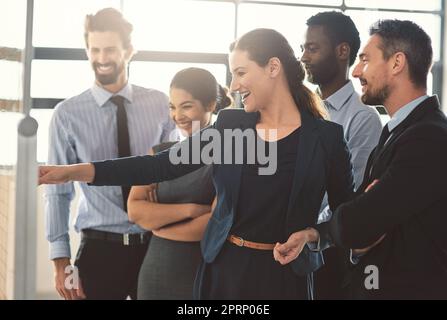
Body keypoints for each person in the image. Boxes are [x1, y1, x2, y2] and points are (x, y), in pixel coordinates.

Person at [39, 28, 354, 300]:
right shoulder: (231, 128)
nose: (233, 86)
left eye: (241, 73)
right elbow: (160, 167)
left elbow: (345, 215)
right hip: (224, 272)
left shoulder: (325, 138)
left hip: (287, 279)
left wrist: (314, 235)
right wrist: (76, 171)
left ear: (273, 67)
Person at [277, 20, 447, 299]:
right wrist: (316, 234)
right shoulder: (397, 131)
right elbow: (359, 210)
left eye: (365, 60)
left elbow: (363, 220)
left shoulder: (429, 137)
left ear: (397, 63)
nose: (356, 71)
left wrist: (361, 223)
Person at [44, 8, 175, 300]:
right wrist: (60, 261)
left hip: (155, 244)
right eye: (95, 50)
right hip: (99, 249)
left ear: (129, 51)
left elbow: (173, 172)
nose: (102, 58)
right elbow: (57, 193)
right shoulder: (66, 115)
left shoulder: (160, 104)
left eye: (111, 49)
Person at [129, 68, 231, 299]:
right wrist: (191, 210)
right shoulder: (159, 153)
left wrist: (157, 223)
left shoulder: (228, 156)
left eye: (186, 106)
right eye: (172, 107)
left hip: (202, 271)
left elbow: (213, 226)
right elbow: (135, 210)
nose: (177, 115)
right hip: (156, 271)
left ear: (210, 105)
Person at [301, 11, 382, 299]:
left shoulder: (363, 118)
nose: (304, 57)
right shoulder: (305, 112)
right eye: (303, 49)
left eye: (312, 48)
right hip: (296, 246)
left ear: (342, 51)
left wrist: (306, 229)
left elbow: (349, 196)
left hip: (328, 253)